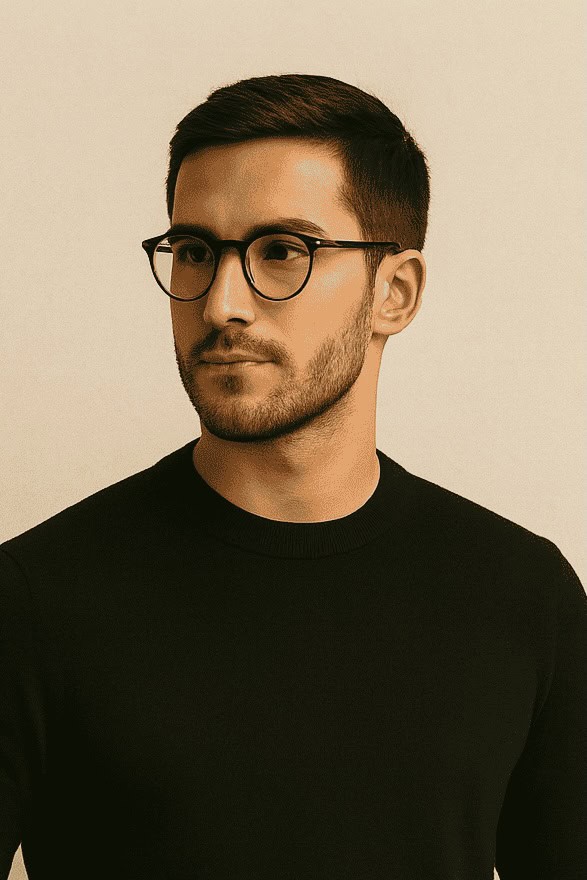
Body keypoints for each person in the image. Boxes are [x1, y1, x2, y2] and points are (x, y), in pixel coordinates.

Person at [0, 73, 585, 880]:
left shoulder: (523, 596)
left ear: (394, 293)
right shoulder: (34, 599)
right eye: (195, 252)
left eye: (282, 252)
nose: (221, 304)